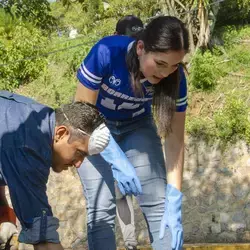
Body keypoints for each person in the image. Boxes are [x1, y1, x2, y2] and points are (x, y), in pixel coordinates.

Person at [75, 15, 189, 250]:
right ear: (140, 48)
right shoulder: (107, 51)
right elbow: (82, 111)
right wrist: (115, 158)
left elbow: (175, 139)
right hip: (90, 126)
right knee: (101, 207)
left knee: (159, 203)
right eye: (160, 63)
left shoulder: (176, 79)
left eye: (174, 65)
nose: (166, 73)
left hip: (137, 126)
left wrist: (174, 196)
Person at [0, 91, 110, 250]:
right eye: (79, 153)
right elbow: (44, 242)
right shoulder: (28, 147)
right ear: (61, 133)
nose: (79, 164)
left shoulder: (37, 118)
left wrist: (3, 210)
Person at [114, 15, 144, 250]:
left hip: (134, 134)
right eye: (127, 39)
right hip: (104, 137)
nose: (133, 46)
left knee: (131, 191)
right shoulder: (107, 59)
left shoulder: (147, 63)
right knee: (114, 194)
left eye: (137, 39)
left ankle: (133, 243)